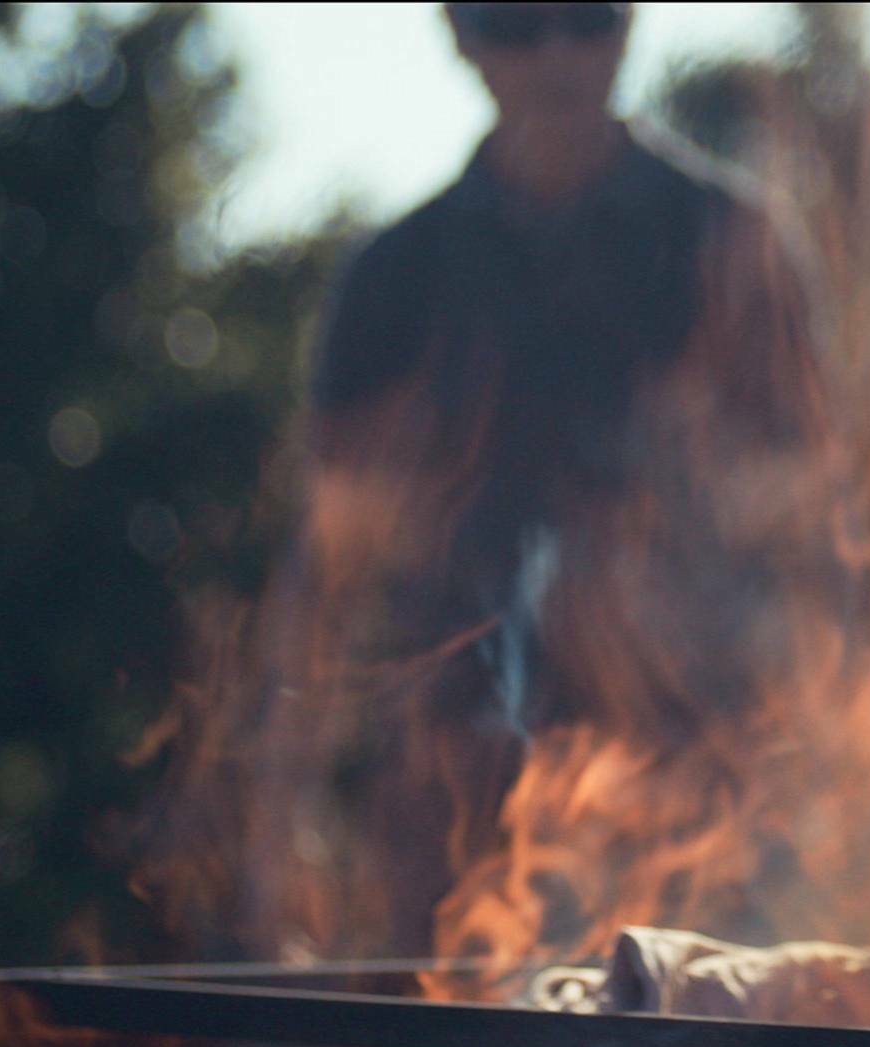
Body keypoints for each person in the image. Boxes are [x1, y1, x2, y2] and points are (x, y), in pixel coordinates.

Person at [308, 1, 830, 739]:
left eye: (589, 17)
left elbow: (813, 501)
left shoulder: (734, 245)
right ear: (461, 35)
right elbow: (332, 552)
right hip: (458, 768)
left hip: (700, 749)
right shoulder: (393, 279)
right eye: (518, 25)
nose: (558, 57)